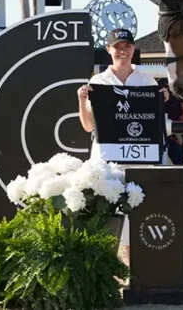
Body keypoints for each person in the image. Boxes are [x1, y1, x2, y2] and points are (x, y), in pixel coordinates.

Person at [75, 28, 158, 261]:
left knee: (138, 211)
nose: (123, 51)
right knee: (108, 210)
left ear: (133, 49)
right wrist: (82, 101)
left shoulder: (146, 80)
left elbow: (155, 117)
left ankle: (136, 267)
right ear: (109, 50)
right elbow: (88, 126)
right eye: (118, 47)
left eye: (127, 46)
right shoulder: (98, 82)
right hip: (107, 158)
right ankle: (108, 266)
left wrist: (162, 101)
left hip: (140, 156)